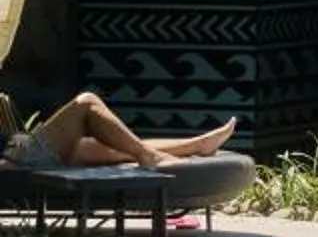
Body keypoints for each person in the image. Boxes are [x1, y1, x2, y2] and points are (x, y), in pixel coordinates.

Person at [5, 93, 237, 172]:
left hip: (17, 147)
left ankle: (198, 145)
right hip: (15, 158)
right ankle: (151, 157)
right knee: (86, 103)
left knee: (115, 148)